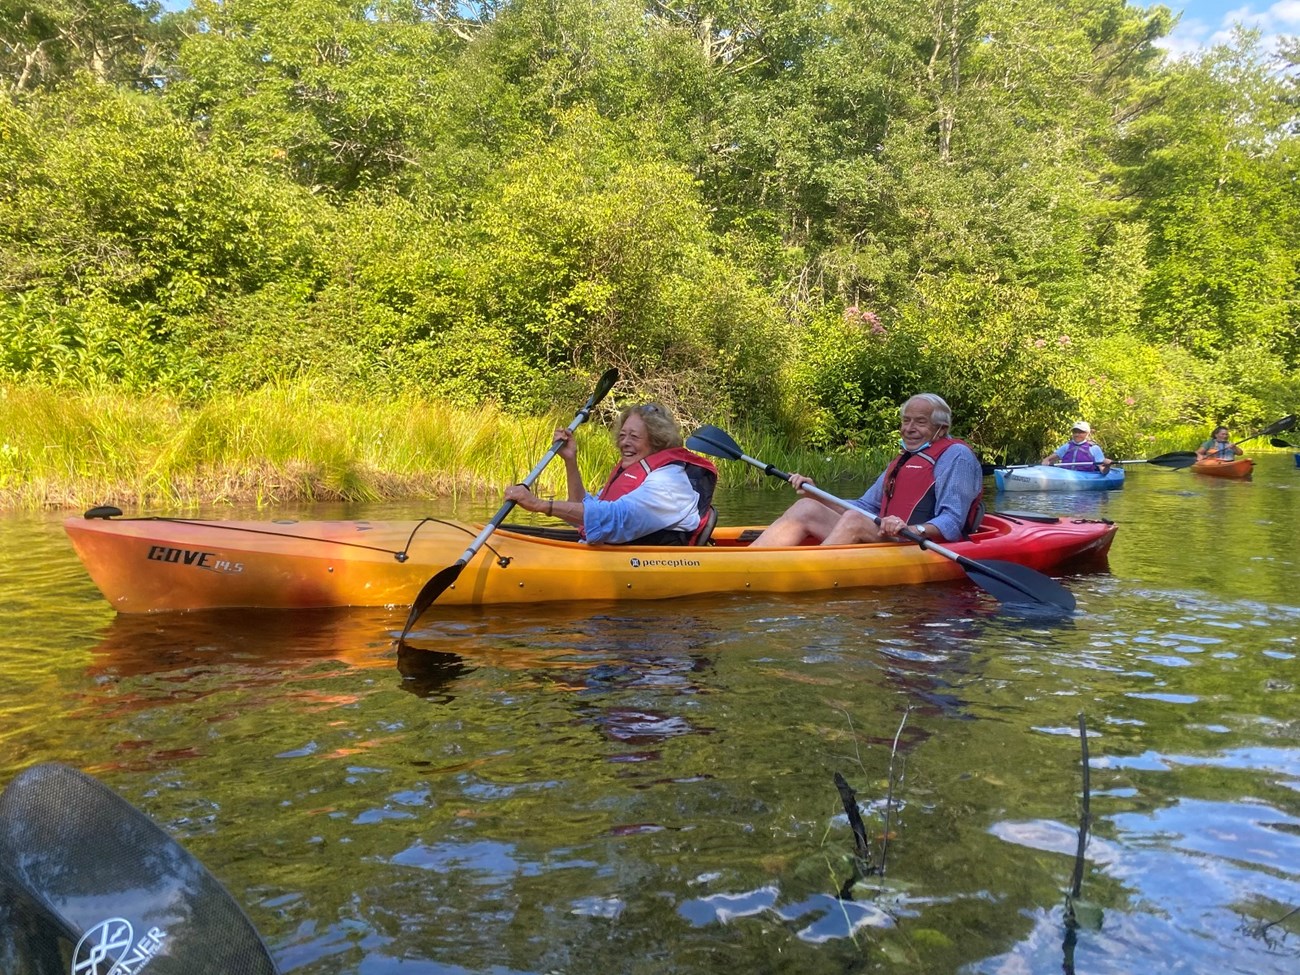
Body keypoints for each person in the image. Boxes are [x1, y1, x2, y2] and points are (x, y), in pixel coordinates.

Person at [748, 393, 984, 547]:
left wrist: (911, 529)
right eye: (906, 421)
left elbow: (952, 521)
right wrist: (815, 493)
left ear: (941, 429)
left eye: (920, 422)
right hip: (889, 535)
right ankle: (751, 561)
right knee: (807, 507)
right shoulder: (905, 458)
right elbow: (864, 506)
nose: (909, 429)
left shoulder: (956, 457)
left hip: (918, 542)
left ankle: (800, 573)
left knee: (855, 521)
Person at [503, 403, 717, 545]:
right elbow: (585, 514)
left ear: (657, 441)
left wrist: (540, 505)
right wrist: (570, 461)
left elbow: (617, 517)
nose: (625, 442)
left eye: (634, 436)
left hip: (644, 570)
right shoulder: (637, 474)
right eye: (622, 435)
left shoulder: (669, 482)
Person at [1042, 421, 1113, 474]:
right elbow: (1048, 459)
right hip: (1066, 474)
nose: (1077, 434)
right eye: (1075, 432)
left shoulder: (1094, 448)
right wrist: (1045, 463)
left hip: (1087, 476)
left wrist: (1107, 466)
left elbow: (1103, 471)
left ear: (1087, 433)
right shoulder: (1067, 446)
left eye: (1081, 432)